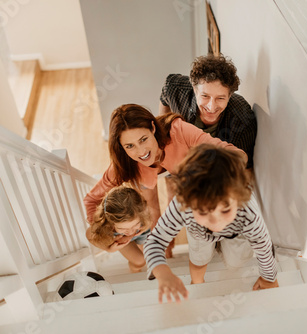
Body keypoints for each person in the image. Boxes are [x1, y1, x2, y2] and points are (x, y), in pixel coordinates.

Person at [83, 104, 247, 252]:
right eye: (129, 146)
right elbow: (91, 200)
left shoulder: (179, 130)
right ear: (122, 147)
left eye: (143, 139)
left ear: (152, 128)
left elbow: (236, 154)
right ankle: (165, 247)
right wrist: (108, 234)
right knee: (151, 208)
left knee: (176, 196)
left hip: (181, 168)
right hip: (145, 178)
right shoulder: (124, 163)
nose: (141, 151)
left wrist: (220, 179)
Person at [144, 144, 278, 303]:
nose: (216, 222)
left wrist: (269, 278)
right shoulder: (182, 205)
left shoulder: (247, 210)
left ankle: (221, 246)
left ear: (239, 198)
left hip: (237, 233)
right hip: (199, 233)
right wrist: (163, 273)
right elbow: (155, 241)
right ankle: (197, 283)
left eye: (226, 209)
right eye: (202, 211)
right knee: (199, 259)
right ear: (188, 202)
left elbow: (262, 244)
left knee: (236, 262)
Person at [159, 54, 256, 169]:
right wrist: (163, 130)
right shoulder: (176, 88)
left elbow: (244, 167)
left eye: (220, 98)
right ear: (195, 89)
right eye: (205, 96)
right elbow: (165, 92)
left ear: (230, 95)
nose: (211, 107)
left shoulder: (242, 118)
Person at [86, 185, 150, 272]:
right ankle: (134, 271)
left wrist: (136, 231)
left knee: (149, 256)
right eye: (123, 228)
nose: (130, 231)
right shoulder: (106, 226)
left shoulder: (142, 217)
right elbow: (89, 234)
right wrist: (109, 249)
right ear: (111, 223)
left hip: (140, 234)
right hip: (121, 240)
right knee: (140, 262)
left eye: (135, 224)